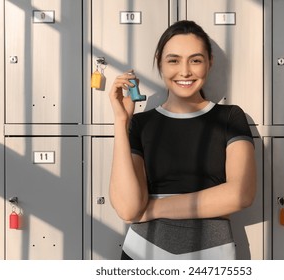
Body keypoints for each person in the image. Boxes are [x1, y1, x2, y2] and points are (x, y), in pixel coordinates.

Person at [108, 20, 256, 260]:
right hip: (140, 254)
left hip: (211, 256)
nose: (185, 71)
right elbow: (128, 208)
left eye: (195, 60)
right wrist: (121, 121)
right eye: (173, 60)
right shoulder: (141, 123)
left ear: (210, 63)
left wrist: (152, 208)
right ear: (160, 62)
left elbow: (240, 195)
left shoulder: (230, 117)